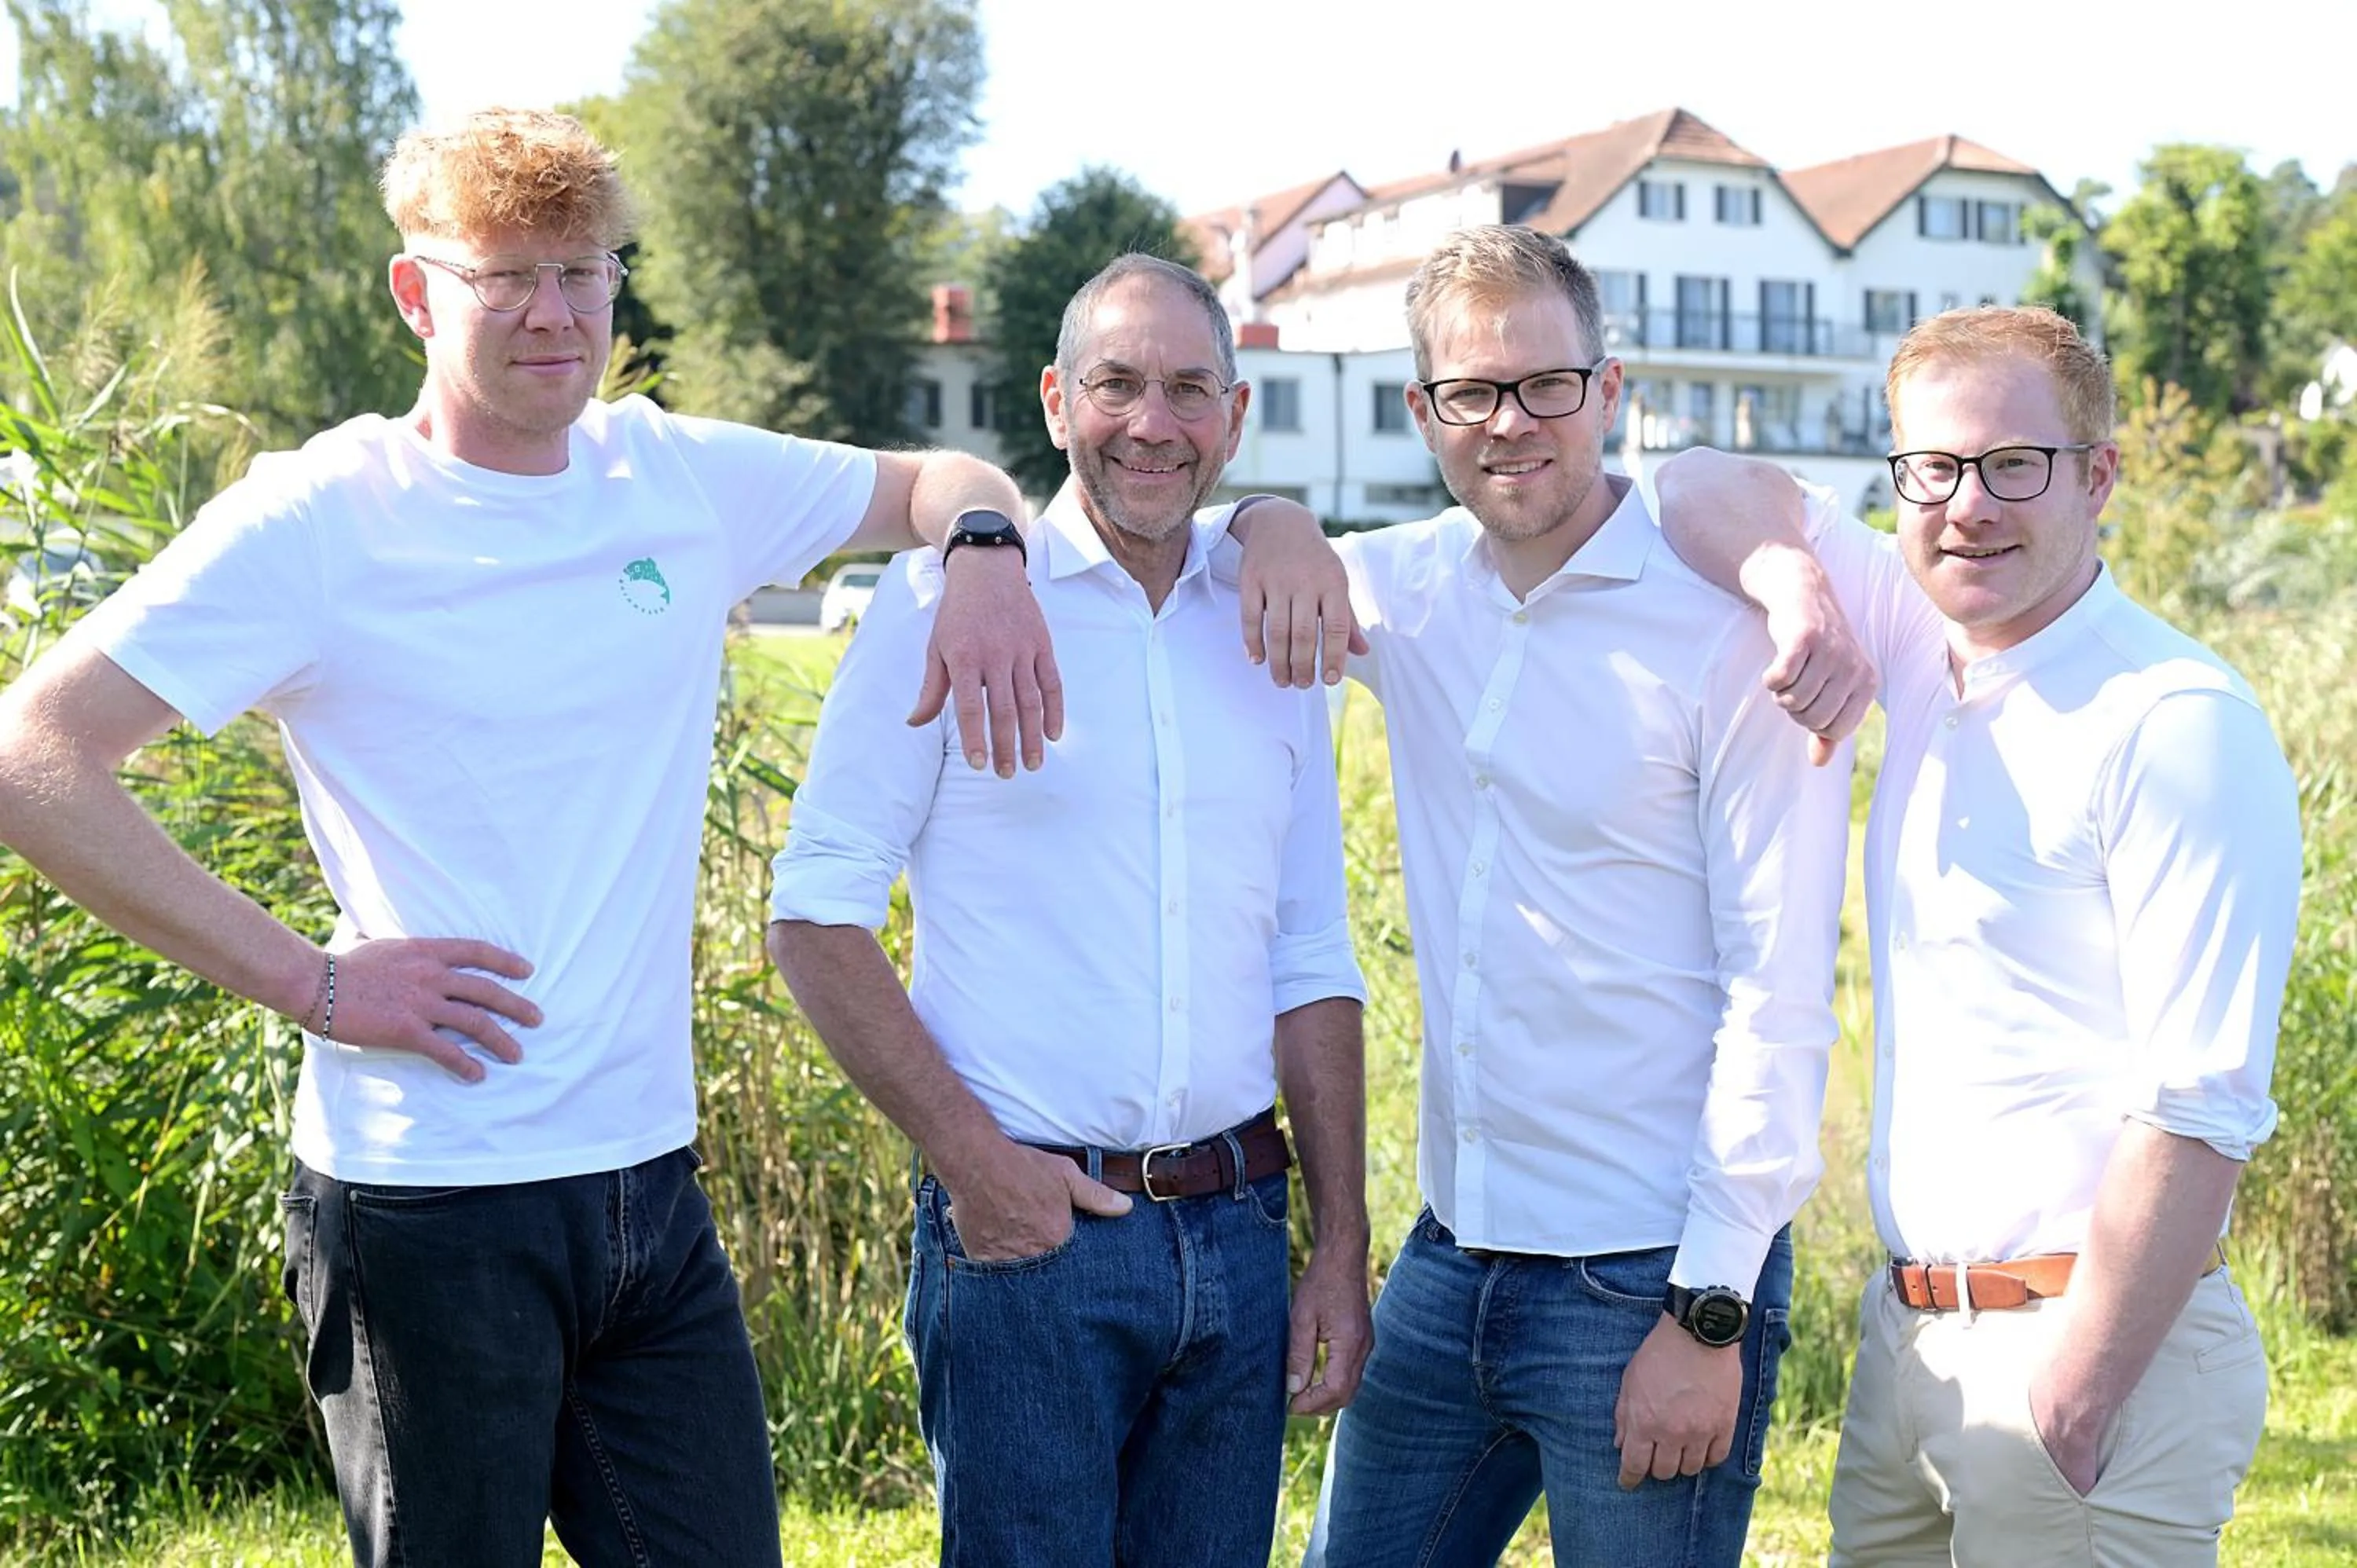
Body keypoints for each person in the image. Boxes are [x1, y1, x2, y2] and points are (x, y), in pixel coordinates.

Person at [0, 107, 1065, 1566]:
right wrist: (317, 983)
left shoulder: (673, 477)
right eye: (507, 280)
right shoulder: (323, 518)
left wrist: (989, 554)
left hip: (646, 1188)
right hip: (426, 1199)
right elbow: (33, 758)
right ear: (414, 291)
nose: (558, 316)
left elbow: (934, 481)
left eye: (588, 271)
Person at [1243, 223, 1853, 1566]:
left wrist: (1710, 1314)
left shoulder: (1727, 634)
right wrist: (1274, 515)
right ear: (1423, 412)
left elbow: (1783, 990)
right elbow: (1240, 549)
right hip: (1451, 1258)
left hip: (1647, 1277)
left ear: (1609, 392)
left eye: (1547, 386)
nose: (1511, 423)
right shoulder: (1402, 592)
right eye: (1472, 391)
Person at [1656, 305, 2302, 1566]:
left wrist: (2075, 1391)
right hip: (1912, 1354)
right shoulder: (1918, 640)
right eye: (1933, 470)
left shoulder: (2171, 721)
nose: (1969, 507)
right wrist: (1793, 578)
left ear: (2099, 475)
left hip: (2082, 1356)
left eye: (2016, 466)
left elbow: (2203, 1103)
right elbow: (1692, 485)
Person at [765, 254, 1371, 1566]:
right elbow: (815, 917)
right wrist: (980, 1173)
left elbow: (1311, 953)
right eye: (1116, 385)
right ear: (1053, 400)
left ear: (1236, 413)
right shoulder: (951, 599)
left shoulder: (1274, 623)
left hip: (1240, 1228)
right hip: (1034, 1243)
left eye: (1187, 390)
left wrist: (1339, 1248)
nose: (1152, 423)